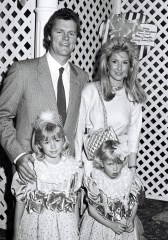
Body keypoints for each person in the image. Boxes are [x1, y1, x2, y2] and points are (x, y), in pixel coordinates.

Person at [0, 8, 89, 183]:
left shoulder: (82, 77)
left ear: (76, 39)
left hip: (67, 171)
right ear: (48, 36)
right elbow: (1, 116)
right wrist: (18, 156)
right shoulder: (22, 71)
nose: (66, 38)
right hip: (30, 169)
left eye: (71, 33)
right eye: (59, 32)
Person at [75, 37, 146, 175]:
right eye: (114, 62)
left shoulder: (133, 96)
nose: (119, 68)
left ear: (130, 67)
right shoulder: (91, 91)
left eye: (124, 62)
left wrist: (132, 169)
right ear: (106, 65)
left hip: (118, 164)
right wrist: (78, 163)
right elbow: (78, 130)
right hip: (92, 162)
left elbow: (134, 136)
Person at [11, 111, 83, 240]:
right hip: (37, 226)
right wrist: (16, 232)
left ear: (63, 140)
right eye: (47, 142)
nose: (53, 146)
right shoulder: (33, 166)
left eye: (57, 140)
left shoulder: (71, 167)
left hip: (65, 227)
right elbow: (20, 201)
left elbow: (74, 201)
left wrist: (76, 228)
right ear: (38, 144)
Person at [80, 139, 145, 240]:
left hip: (123, 224)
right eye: (110, 164)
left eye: (118, 164)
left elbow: (134, 202)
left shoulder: (128, 179)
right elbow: (92, 210)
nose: (115, 168)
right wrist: (111, 225)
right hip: (102, 224)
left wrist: (131, 219)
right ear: (102, 163)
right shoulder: (97, 181)